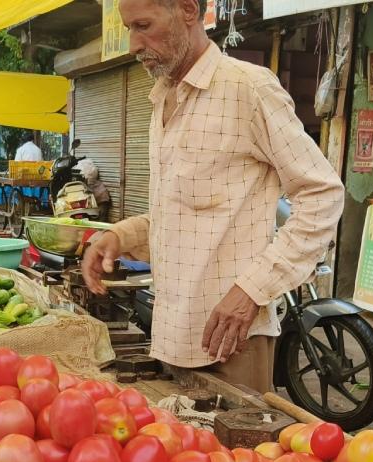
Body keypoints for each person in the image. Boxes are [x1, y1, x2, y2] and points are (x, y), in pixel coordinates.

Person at [81, 0, 343, 393]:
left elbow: (322, 193)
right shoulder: (162, 99)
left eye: (143, 25)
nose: (134, 44)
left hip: (231, 344)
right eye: (129, 29)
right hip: (170, 335)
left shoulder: (247, 88)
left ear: (187, 10)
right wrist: (121, 236)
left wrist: (252, 290)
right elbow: (186, 213)